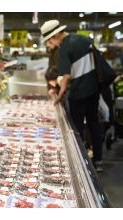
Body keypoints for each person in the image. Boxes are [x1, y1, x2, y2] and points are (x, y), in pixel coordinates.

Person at [40, 20, 103, 171]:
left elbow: (66, 76)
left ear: (56, 35)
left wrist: (60, 95)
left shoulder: (64, 47)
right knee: (94, 123)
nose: (51, 43)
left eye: (50, 39)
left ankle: (79, 162)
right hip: (94, 89)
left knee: (77, 127)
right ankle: (98, 160)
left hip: (78, 92)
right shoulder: (83, 39)